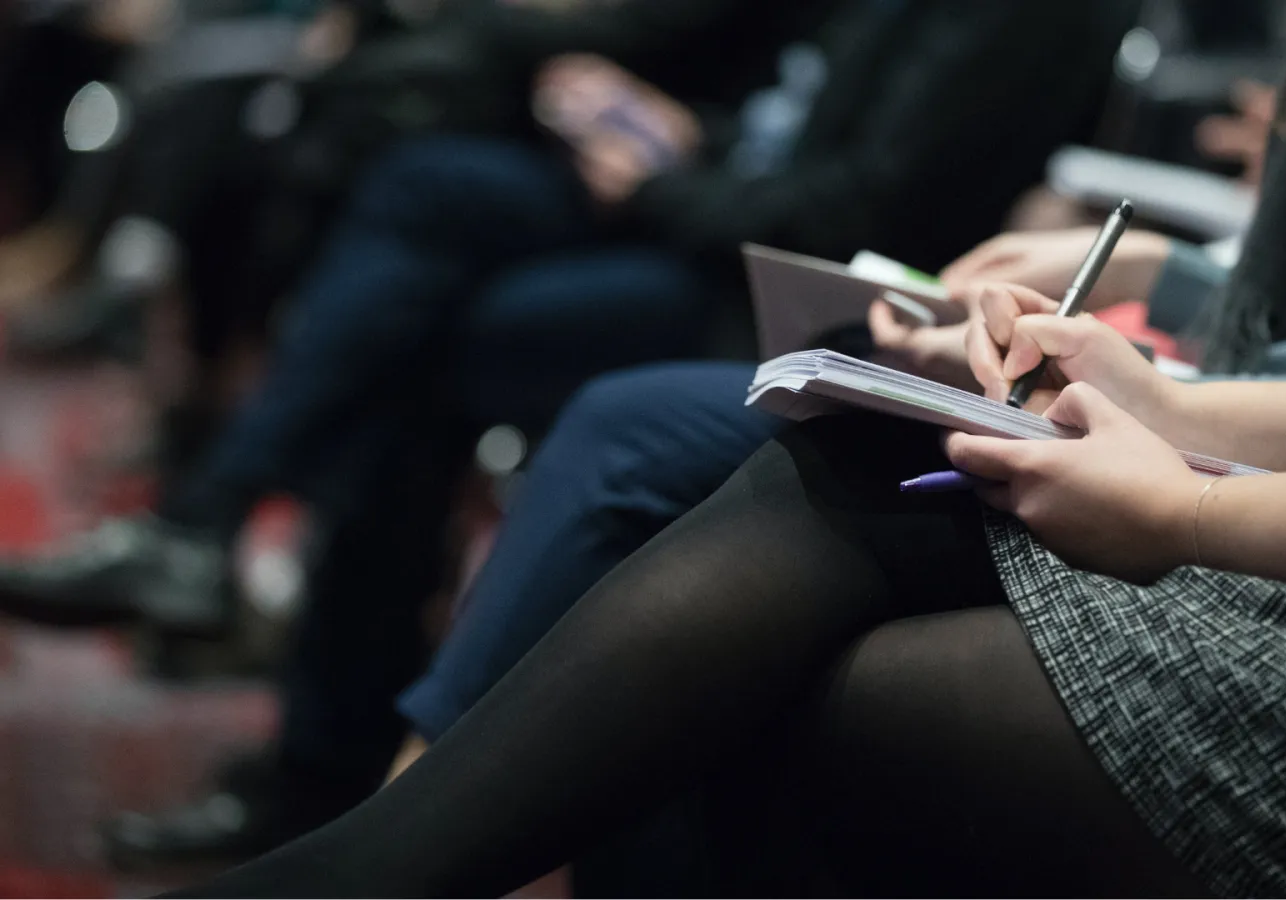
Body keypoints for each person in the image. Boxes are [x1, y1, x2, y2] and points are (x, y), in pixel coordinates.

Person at [166, 0, 1286, 894]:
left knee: (771, 656)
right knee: (819, 452)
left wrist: (1178, 500)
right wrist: (1156, 400)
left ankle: (359, 852)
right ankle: (356, 841)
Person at [0, 0, 1136, 867]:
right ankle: (298, 693)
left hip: (799, 296)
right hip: (711, 211)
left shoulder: (1019, 17)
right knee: (421, 189)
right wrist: (674, 135)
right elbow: (780, 117)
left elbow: (850, 213)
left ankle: (353, 786)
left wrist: (658, 178)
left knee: (427, 342)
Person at [390, 39, 1286, 762]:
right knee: (643, 413)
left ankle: (397, 805)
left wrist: (1158, 390)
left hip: (1254, 442)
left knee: (697, 460)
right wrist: (1150, 273)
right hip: (1224, 391)